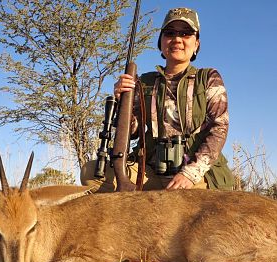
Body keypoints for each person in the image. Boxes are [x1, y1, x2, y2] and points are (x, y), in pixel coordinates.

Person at [81, 7, 234, 192]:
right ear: (161, 43)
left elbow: (219, 127)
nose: (177, 39)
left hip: (194, 175)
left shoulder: (208, 77)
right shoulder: (144, 81)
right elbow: (133, 131)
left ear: (196, 44)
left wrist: (191, 173)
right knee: (90, 171)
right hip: (150, 171)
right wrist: (122, 104)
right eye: (170, 33)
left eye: (185, 33)